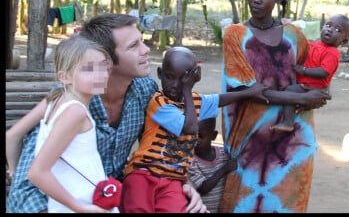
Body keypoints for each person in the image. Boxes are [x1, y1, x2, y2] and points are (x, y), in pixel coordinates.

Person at [6, 14, 207, 213]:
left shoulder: (145, 90)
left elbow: (160, 147)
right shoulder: (69, 99)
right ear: (106, 58)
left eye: (142, 42)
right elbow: (26, 186)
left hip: (112, 196)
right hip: (63, 202)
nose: (146, 50)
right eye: (133, 46)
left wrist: (184, 183)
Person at [218, 0, 331, 213]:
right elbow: (249, 91)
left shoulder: (294, 35)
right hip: (250, 138)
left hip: (295, 138)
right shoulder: (235, 35)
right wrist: (301, 98)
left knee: (288, 201)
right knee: (243, 202)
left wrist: (316, 93)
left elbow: (303, 76)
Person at [121, 46, 268, 213]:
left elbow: (220, 100)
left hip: (174, 179)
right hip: (144, 173)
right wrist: (187, 89)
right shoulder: (160, 103)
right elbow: (190, 128)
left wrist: (249, 93)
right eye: (169, 77)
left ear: (194, 77)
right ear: (160, 74)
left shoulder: (195, 101)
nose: (175, 85)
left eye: (183, 80)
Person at [25, 35, 115, 212]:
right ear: (64, 77)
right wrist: (80, 207)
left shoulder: (57, 101)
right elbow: (37, 172)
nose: (100, 75)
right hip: (80, 203)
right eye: (88, 69)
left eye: (103, 66)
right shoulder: (75, 112)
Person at [272, 13, 349, 132]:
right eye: (328, 25)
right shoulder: (314, 45)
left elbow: (324, 72)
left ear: (344, 41)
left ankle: (287, 122)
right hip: (306, 84)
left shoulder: (332, 53)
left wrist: (304, 70)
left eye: (337, 30)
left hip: (313, 87)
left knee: (290, 91)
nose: (330, 30)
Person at [187, 117, 237, 213]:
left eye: (201, 136)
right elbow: (203, 187)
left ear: (213, 136)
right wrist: (224, 169)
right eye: (192, 136)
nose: (196, 140)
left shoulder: (223, 153)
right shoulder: (190, 160)